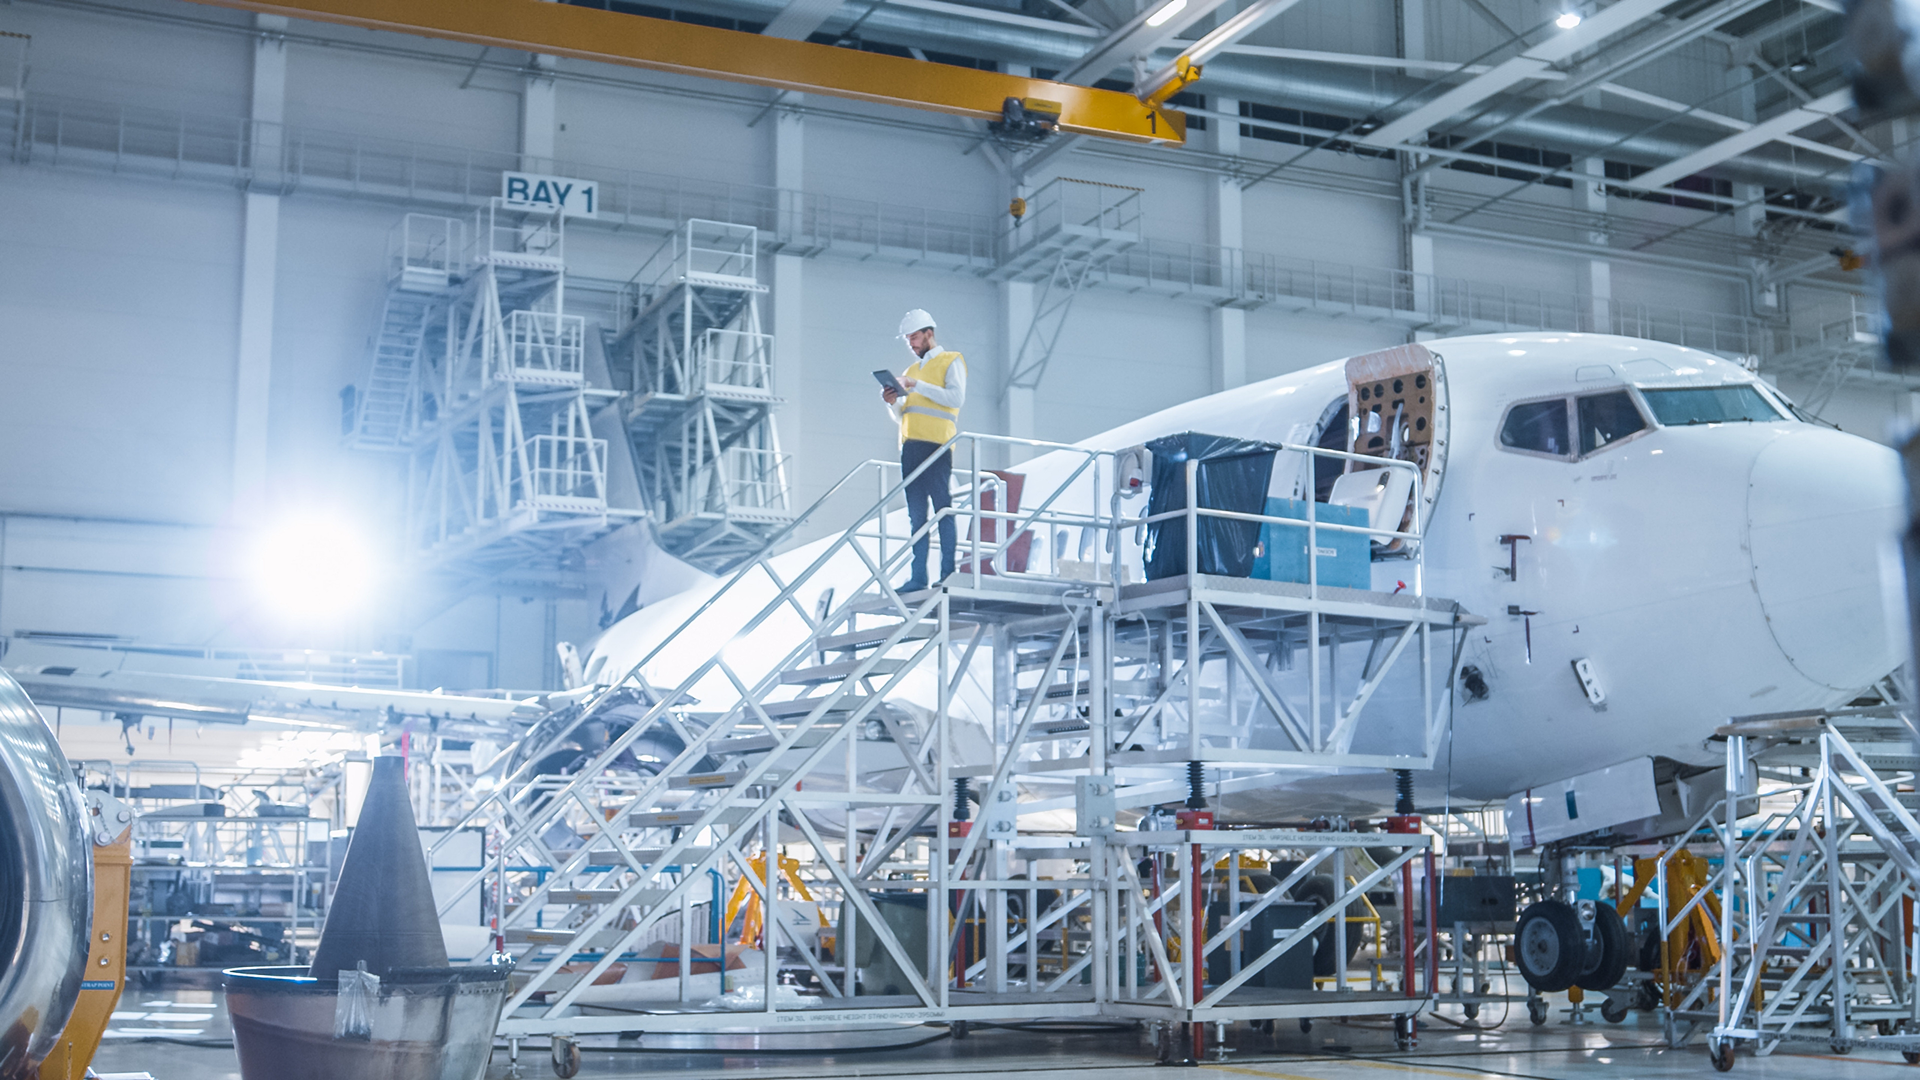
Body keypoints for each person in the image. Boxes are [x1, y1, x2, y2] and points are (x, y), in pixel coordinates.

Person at [880, 308, 965, 593]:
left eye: (914, 337)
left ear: (929, 333)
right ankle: (918, 578)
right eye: (907, 340)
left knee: (943, 510)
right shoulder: (909, 372)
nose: (911, 344)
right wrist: (892, 402)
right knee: (917, 515)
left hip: (938, 445)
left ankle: (948, 573)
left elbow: (956, 397)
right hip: (911, 447)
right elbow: (904, 415)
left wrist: (917, 384)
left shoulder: (950, 361)